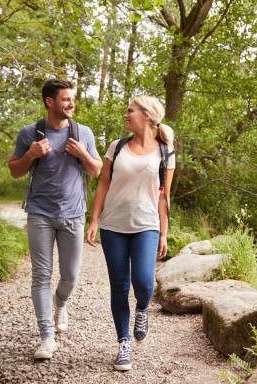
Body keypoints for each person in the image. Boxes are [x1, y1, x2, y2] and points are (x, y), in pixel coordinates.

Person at [8, 79, 102, 360]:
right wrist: (31, 154)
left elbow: (96, 170)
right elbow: (14, 171)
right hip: (40, 213)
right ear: (49, 102)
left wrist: (82, 153)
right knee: (41, 276)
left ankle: (61, 302)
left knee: (70, 276)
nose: (72, 103)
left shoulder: (83, 132)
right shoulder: (30, 133)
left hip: (73, 214)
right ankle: (47, 337)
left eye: (73, 98)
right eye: (66, 99)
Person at [85, 95, 175, 371]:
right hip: (113, 226)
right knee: (119, 286)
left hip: (147, 225)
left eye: (130, 110)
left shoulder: (165, 151)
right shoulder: (117, 146)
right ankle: (123, 344)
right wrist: (94, 219)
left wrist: (163, 233)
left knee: (145, 282)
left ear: (147, 116)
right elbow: (103, 185)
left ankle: (142, 310)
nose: (126, 115)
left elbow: (164, 196)